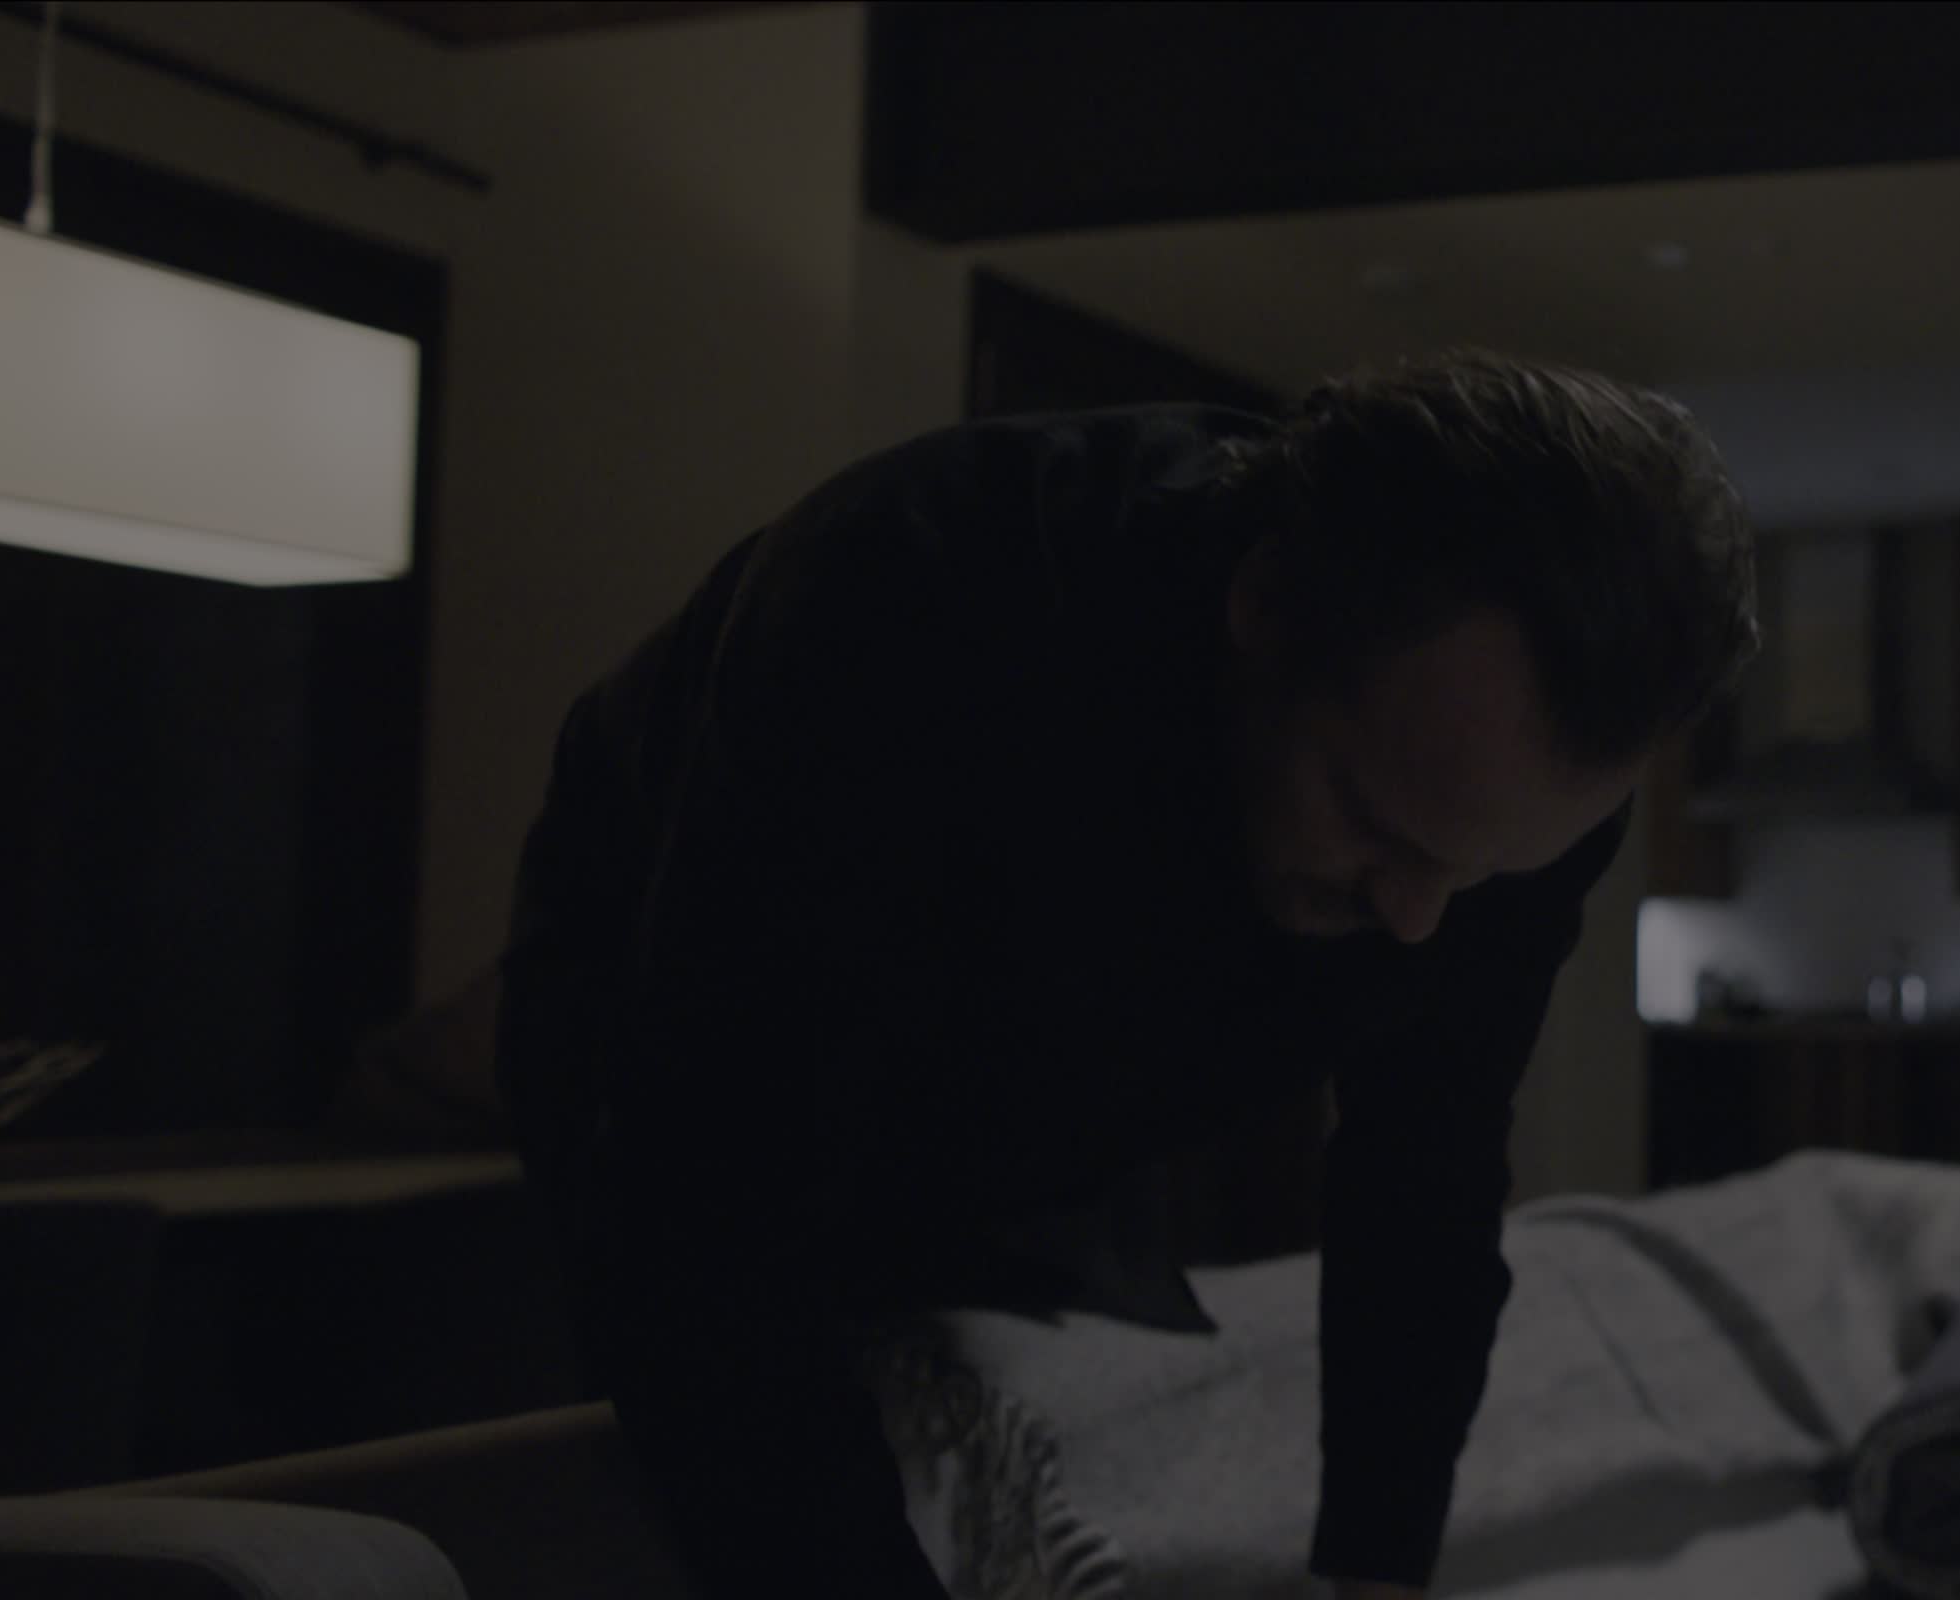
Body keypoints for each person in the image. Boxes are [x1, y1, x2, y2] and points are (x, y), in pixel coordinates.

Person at [494, 351, 1760, 1600]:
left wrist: (1379, 1566)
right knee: (682, 1423)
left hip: (1059, 1054)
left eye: (1482, 874)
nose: (1420, 919)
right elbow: (707, 1219)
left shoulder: (1512, 773)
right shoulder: (912, 592)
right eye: (1375, 821)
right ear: (1266, 601)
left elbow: (1426, 1166)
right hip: (662, 953)